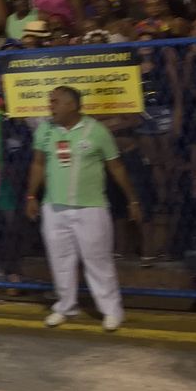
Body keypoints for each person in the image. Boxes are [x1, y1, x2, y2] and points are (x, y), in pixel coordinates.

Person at [25, 87, 141, 332]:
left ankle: (111, 311)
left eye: (56, 102)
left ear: (72, 105)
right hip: (54, 208)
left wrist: (132, 200)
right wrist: (32, 195)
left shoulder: (96, 131)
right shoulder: (45, 130)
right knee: (60, 260)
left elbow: (116, 167)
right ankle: (66, 306)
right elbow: (38, 164)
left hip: (91, 209)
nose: (50, 106)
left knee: (98, 261)